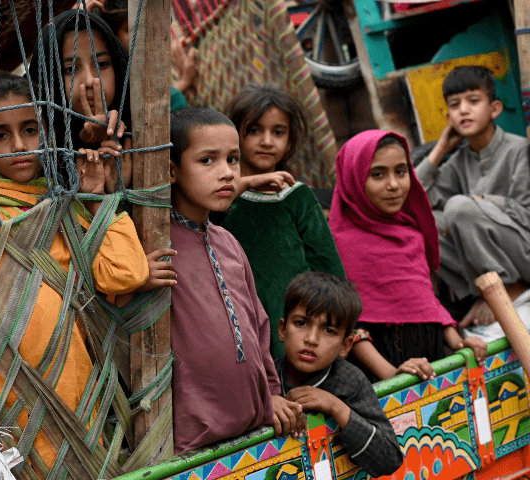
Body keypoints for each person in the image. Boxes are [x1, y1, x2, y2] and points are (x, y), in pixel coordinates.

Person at [0, 71, 149, 470]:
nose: (21, 145)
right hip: (0, 387)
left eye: (30, 129)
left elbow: (125, 273)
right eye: (1, 135)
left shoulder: (60, 205)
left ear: (47, 130)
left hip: (72, 381)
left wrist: (95, 199)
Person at [169, 106, 304, 454]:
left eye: (233, 160)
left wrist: (272, 395)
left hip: (256, 426)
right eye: (207, 161)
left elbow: (259, 331)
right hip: (190, 443)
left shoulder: (228, 243)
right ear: (171, 169)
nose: (227, 173)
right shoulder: (155, 244)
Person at [330, 130, 487, 381]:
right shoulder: (338, 246)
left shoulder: (412, 234)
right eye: (378, 174)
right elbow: (350, 325)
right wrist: (392, 375)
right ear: (354, 179)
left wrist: (460, 344)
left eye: (401, 172)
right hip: (379, 375)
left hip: (430, 361)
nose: (393, 184)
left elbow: (427, 303)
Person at [220, 84, 346, 360]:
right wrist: (244, 184)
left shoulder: (297, 197)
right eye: (254, 130)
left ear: (289, 141)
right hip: (239, 324)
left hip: (299, 327)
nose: (266, 141)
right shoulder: (220, 198)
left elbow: (329, 269)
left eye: (278, 132)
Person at [416, 65, 530, 338]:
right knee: (422, 222)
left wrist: (478, 203)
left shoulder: (519, 150)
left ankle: (509, 289)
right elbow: (414, 200)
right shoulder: (459, 161)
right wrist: (441, 148)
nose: (463, 110)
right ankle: (483, 292)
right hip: (486, 267)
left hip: (524, 252)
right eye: (455, 105)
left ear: (495, 109)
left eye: (473, 101)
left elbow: (526, 216)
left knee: (458, 208)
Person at [275, 272, 403, 478]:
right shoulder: (265, 377)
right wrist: (266, 405)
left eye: (328, 330)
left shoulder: (350, 381)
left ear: (345, 345)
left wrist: (336, 407)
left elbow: (389, 459)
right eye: (301, 323)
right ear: (282, 329)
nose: (311, 339)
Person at [29, 10, 132, 194]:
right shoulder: (32, 147)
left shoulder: (141, 127)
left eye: (101, 64)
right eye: (71, 69)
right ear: (49, 79)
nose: (91, 80)